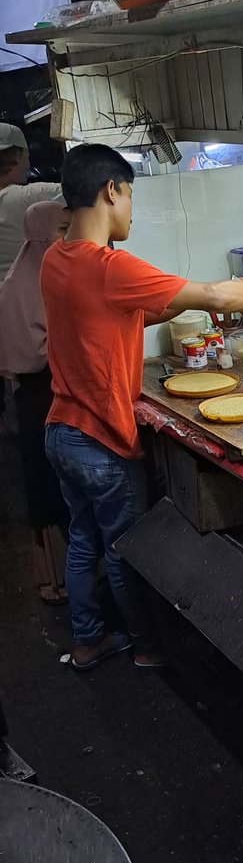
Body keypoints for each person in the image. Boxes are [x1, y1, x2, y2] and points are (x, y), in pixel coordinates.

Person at [42, 143, 243, 672]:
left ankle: (88, 639)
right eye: (130, 194)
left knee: (83, 541)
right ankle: (147, 646)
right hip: (100, 441)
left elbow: (116, 319)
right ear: (111, 190)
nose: (132, 208)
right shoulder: (108, 267)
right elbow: (214, 296)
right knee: (125, 548)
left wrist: (184, 308)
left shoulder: (56, 259)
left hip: (61, 432)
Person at [0, 201, 71, 602]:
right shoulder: (31, 281)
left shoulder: (31, 272)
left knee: (53, 482)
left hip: (41, 393)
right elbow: (34, 352)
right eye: (62, 230)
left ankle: (63, 579)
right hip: (40, 396)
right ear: (41, 234)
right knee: (51, 484)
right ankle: (57, 581)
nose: (68, 238)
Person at [0, 123, 63, 423]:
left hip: (10, 326)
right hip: (34, 325)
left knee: (20, 404)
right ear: (19, 155)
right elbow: (90, 190)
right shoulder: (28, 198)